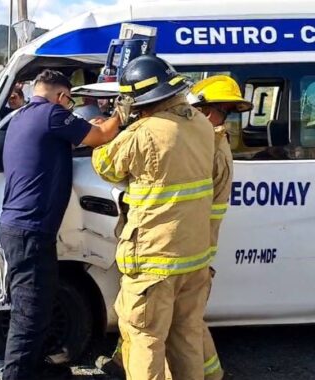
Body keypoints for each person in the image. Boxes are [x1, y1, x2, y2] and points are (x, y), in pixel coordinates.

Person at [92, 55, 215, 380]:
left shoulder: (143, 133)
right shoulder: (202, 124)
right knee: (187, 336)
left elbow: (105, 165)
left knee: (143, 337)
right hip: (194, 258)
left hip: (154, 262)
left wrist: (116, 120)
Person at [0, 69, 121, 380]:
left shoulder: (24, 115)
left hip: (22, 227)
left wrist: (86, 125)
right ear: (62, 97)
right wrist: (120, 113)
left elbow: (72, 135)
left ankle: (38, 368)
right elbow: (103, 136)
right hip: (31, 230)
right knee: (28, 315)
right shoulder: (53, 114)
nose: (69, 107)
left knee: (38, 308)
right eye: (69, 102)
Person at [189, 75, 254, 380]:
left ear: (207, 111)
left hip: (193, 246)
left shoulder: (210, 147)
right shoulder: (217, 142)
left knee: (184, 320)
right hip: (199, 246)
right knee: (186, 317)